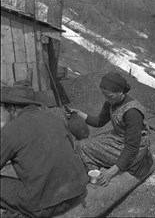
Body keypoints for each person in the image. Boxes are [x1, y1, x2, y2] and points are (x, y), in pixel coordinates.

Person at [0, 83, 89, 218]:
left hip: (45, 206)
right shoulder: (56, 119)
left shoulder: (11, 129)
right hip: (78, 192)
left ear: (12, 108)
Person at [68, 71, 155, 187]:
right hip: (120, 139)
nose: (106, 98)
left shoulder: (132, 112)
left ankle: (102, 176)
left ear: (120, 92)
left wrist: (110, 173)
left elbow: (132, 147)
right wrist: (79, 113)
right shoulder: (111, 102)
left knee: (84, 147)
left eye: (109, 96)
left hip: (134, 148)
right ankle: (95, 174)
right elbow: (99, 122)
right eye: (104, 95)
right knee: (81, 145)